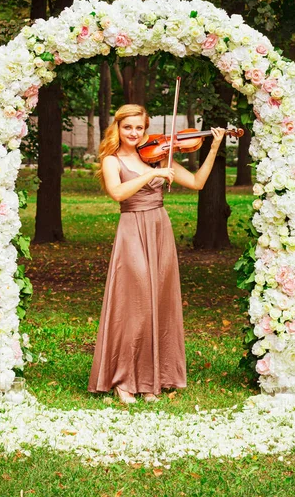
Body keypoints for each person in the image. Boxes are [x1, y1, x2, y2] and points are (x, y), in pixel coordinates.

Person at [88, 104, 225, 404]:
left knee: (157, 303)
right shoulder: (113, 160)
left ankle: (151, 381)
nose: (134, 133)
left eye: (139, 127)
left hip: (159, 228)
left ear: (146, 128)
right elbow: (118, 193)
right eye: (128, 128)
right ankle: (123, 381)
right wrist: (153, 173)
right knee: (134, 305)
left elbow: (198, 183)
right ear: (118, 128)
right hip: (132, 229)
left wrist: (213, 147)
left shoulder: (160, 154)